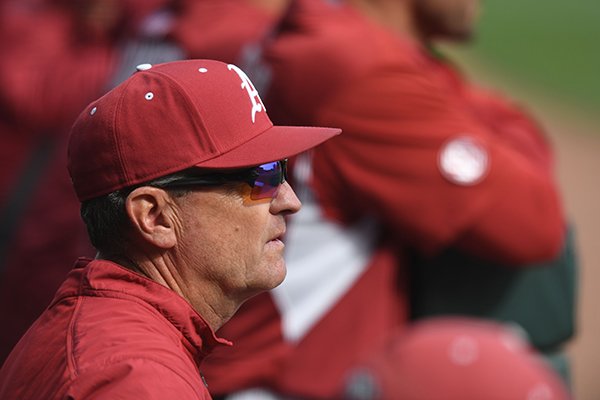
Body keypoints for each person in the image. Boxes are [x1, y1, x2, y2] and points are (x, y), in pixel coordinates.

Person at [200, 0, 576, 398]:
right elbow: (532, 222)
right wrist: (491, 119)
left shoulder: (312, 34)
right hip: (280, 381)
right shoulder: (357, 68)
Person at [0, 59, 340, 399]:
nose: (290, 200)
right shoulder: (135, 380)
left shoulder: (111, 339)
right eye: (261, 175)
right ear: (155, 216)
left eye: (282, 168)